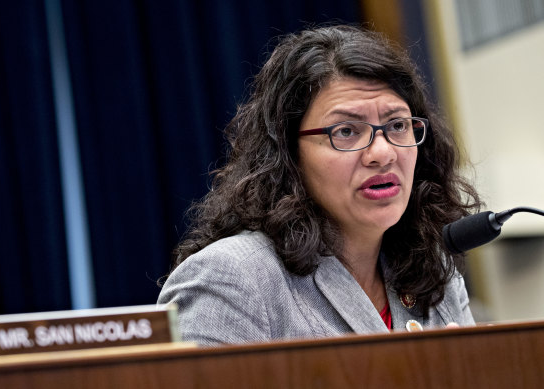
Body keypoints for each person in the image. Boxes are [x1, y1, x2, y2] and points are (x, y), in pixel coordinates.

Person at [157, 25, 481, 345]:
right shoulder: (234, 277)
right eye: (345, 131)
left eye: (397, 125)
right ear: (288, 153)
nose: (383, 153)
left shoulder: (433, 269)